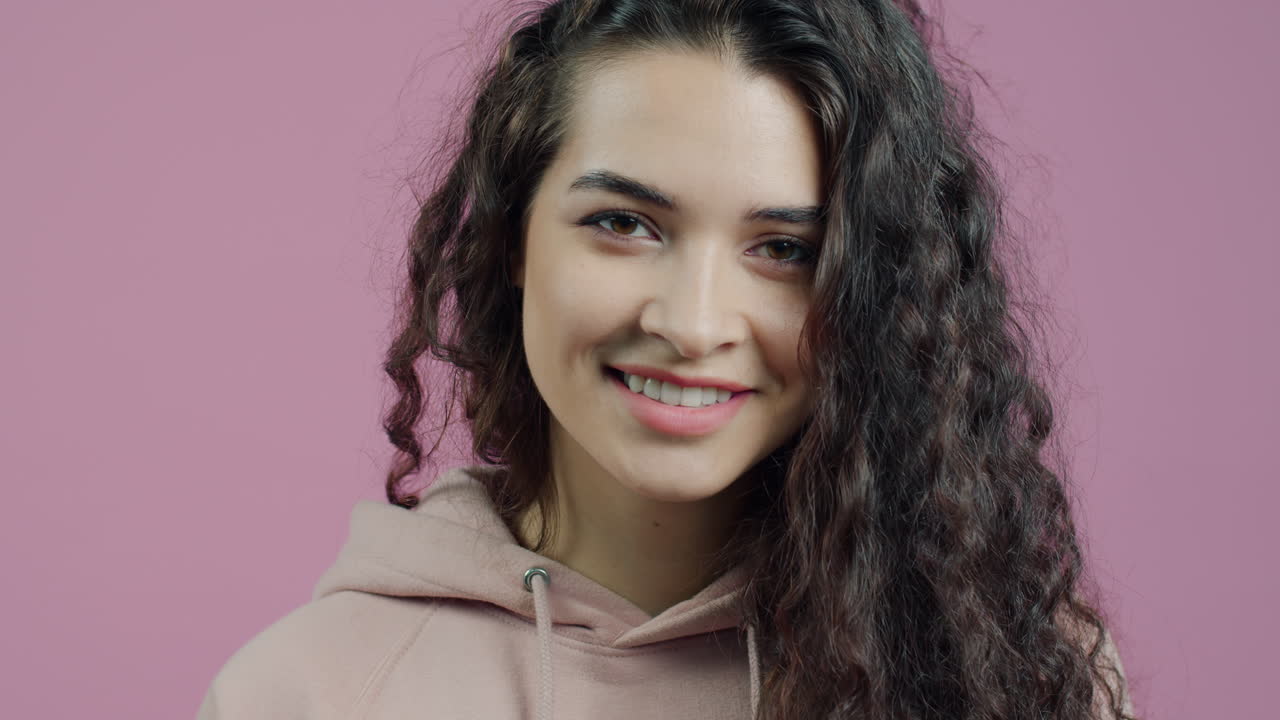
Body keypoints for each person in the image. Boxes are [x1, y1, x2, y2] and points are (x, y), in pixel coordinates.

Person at [197, 1, 1136, 718]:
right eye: (623, 224)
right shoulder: (311, 693)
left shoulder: (1011, 673)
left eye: (785, 250)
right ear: (516, 238)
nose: (692, 324)